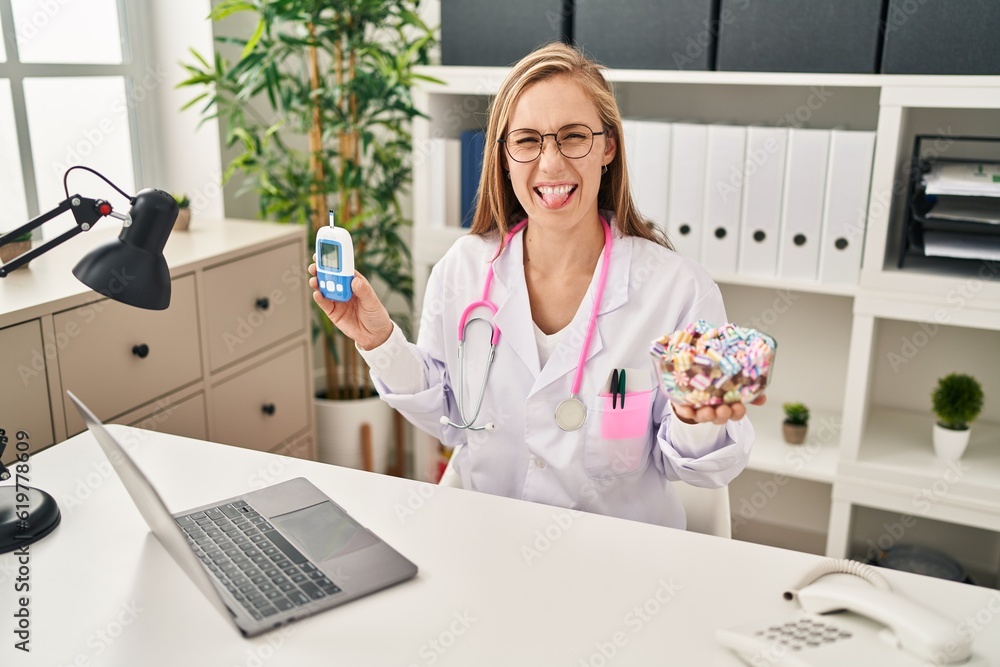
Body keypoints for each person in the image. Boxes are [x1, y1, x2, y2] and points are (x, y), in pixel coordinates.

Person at [309, 42, 762, 529]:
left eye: (573, 137)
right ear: (503, 156)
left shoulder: (677, 291)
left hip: (620, 563)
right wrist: (377, 340)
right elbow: (447, 413)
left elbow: (700, 469)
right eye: (526, 140)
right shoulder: (465, 268)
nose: (550, 164)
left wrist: (694, 416)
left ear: (608, 147)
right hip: (489, 543)